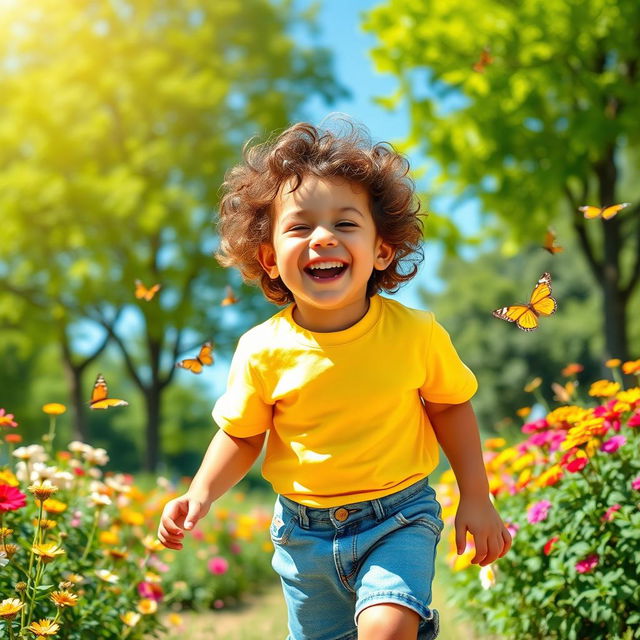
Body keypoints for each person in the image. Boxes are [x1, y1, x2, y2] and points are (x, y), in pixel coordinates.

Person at [158, 118, 512, 640]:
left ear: (382, 251)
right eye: (300, 227)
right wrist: (201, 493)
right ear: (270, 259)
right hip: (304, 536)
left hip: (400, 517)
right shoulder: (262, 348)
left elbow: (451, 407)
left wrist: (475, 496)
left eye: (345, 224)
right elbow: (242, 433)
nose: (323, 238)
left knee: (386, 626)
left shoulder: (415, 333)